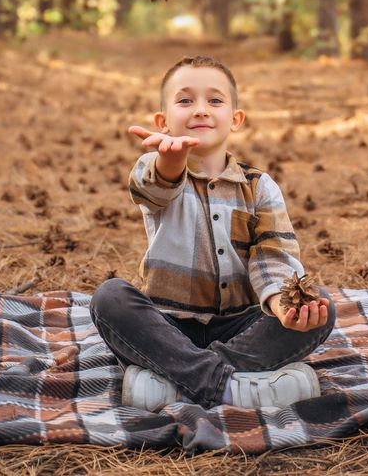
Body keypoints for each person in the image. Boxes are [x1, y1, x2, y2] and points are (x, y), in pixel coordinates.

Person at [90, 54, 336, 412]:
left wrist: (283, 304)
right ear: (163, 121)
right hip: (168, 327)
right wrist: (170, 162)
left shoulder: (260, 187)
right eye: (185, 100)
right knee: (109, 298)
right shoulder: (154, 169)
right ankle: (235, 388)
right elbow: (154, 190)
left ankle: (179, 382)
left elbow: (273, 255)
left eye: (215, 101)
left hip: (242, 328)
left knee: (320, 307)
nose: (201, 110)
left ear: (235, 119)